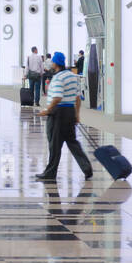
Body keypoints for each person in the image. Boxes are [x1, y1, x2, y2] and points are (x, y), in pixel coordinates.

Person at [35, 52, 93, 182]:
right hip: (70, 112)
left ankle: (50, 173)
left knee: (54, 145)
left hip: (58, 114)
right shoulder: (73, 76)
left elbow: (57, 97)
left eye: (52, 62)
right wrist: (77, 115)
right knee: (73, 142)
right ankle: (87, 168)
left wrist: (47, 110)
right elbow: (78, 98)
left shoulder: (57, 78)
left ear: (55, 63)